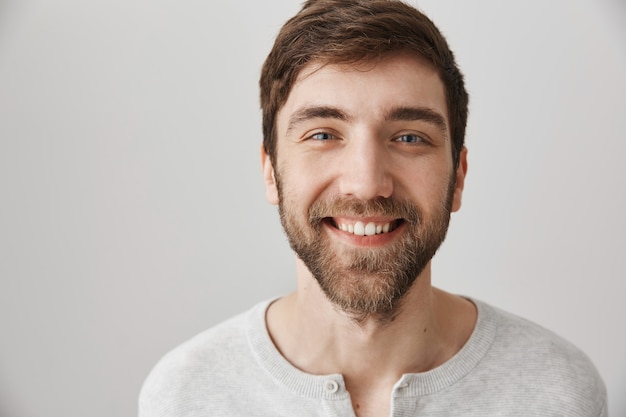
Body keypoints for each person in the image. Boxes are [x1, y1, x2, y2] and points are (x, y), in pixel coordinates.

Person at [138, 1, 607, 416]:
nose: (366, 184)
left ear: (458, 176)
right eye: (322, 134)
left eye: (409, 137)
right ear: (270, 171)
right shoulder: (185, 395)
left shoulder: (558, 391)